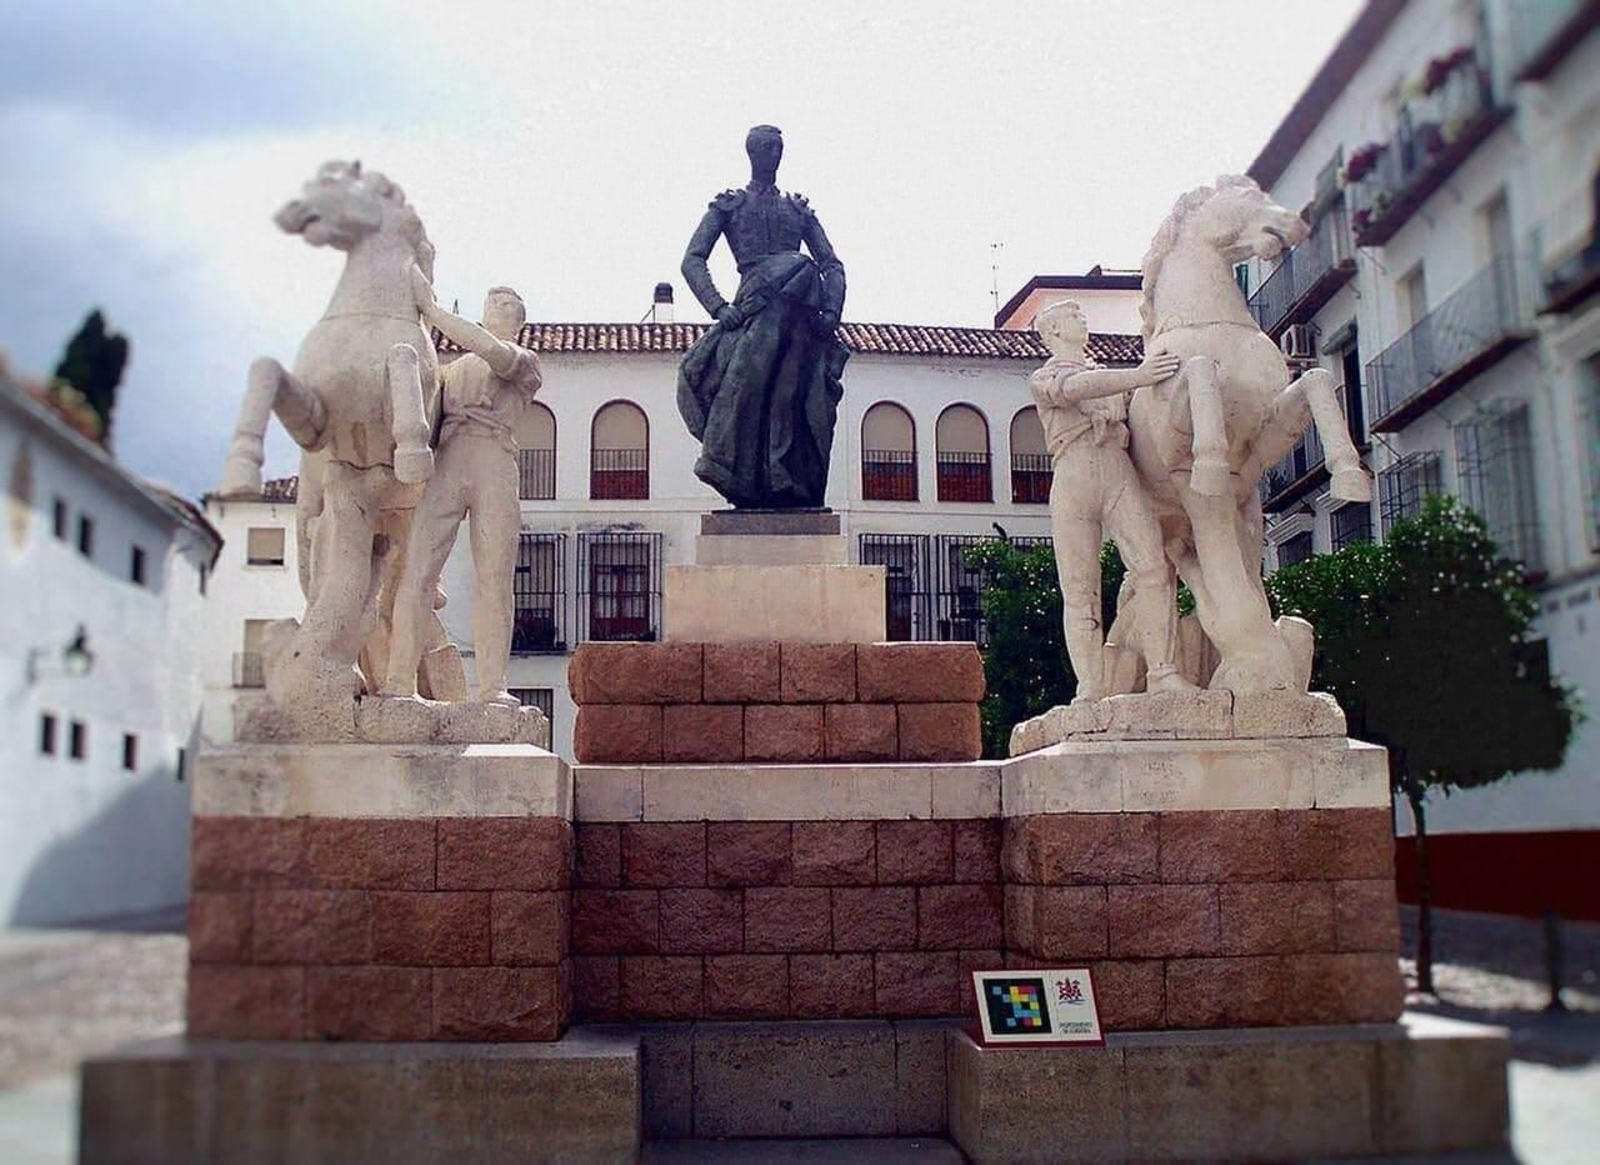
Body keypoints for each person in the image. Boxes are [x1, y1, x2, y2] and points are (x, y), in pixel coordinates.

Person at [383, 282, 542, 704]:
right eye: (494, 301)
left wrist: (431, 312)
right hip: (449, 460)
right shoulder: (449, 373)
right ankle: (399, 682)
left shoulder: (523, 361)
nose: (499, 306)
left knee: (494, 578)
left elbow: (492, 351)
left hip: (494, 459)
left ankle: (493, 688)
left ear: (519, 321)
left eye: (509, 303)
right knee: (418, 570)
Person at [677, 124, 849, 508]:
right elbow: (692, 260)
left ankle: (786, 478)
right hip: (754, 312)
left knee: (791, 401)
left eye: (779, 148)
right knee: (745, 393)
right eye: (768, 147)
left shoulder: (797, 210)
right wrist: (720, 308)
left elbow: (831, 263)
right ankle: (741, 473)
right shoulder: (730, 206)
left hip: (801, 319)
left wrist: (831, 312)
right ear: (751, 152)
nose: (775, 154)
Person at [1030, 300, 1193, 701]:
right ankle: (1090, 685)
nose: (1082, 319)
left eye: (1082, 314)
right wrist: (1137, 375)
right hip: (1073, 474)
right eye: (1072, 317)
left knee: (1153, 566)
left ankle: (1163, 672)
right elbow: (1073, 390)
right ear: (1052, 333)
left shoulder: (1106, 375)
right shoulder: (1044, 376)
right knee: (1080, 589)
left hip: (1117, 468)